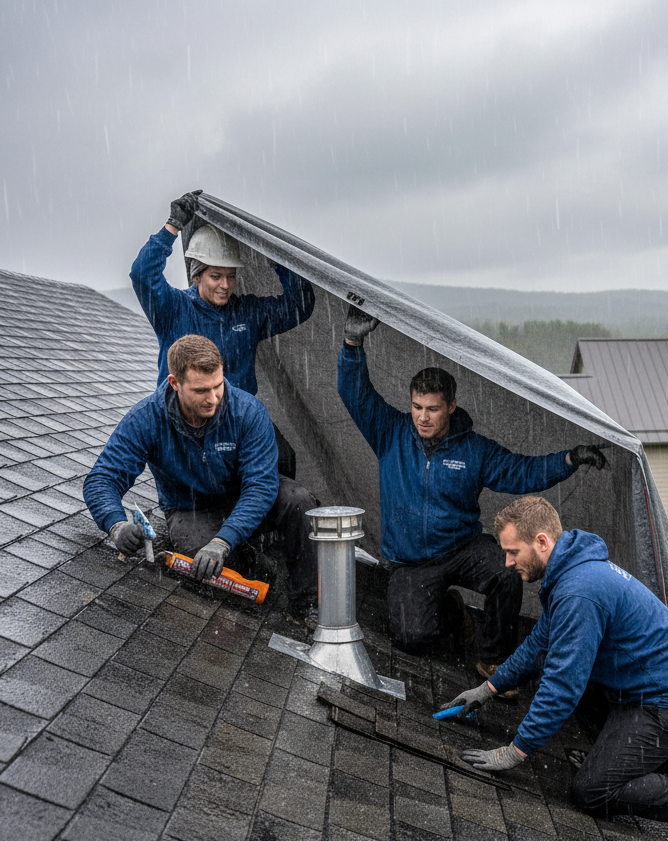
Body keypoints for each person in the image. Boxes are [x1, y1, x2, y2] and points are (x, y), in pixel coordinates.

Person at [443, 496, 668, 841]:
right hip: (647, 691)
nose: (507, 563)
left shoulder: (579, 591)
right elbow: (540, 643)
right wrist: (488, 689)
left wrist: (515, 751)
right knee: (546, 663)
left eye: (513, 552)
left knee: (593, 790)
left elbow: (563, 686)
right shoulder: (571, 572)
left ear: (542, 542)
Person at [337, 307, 608, 679]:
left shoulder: (474, 449)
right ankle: (451, 610)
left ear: (451, 406)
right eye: (417, 407)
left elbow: (521, 472)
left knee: (508, 571)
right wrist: (352, 342)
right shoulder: (390, 432)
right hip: (411, 561)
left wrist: (569, 459)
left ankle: (494, 659)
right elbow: (354, 393)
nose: (423, 418)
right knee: (411, 637)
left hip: (462, 548)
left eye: (433, 409)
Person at [83, 335, 318, 620]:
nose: (213, 398)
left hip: (243, 495)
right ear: (174, 383)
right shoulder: (146, 419)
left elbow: (260, 486)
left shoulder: (248, 412)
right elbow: (102, 478)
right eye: (201, 390)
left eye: (218, 386)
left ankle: (305, 606)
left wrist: (222, 540)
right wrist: (116, 525)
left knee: (301, 501)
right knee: (201, 566)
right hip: (189, 509)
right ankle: (249, 560)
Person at [131, 191, 316, 396]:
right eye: (216, 276)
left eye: (231, 276)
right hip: (182, 423)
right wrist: (172, 227)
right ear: (197, 277)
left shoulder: (247, 312)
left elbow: (300, 305)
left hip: (235, 422)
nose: (225, 285)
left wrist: (279, 260)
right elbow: (142, 274)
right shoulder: (174, 308)